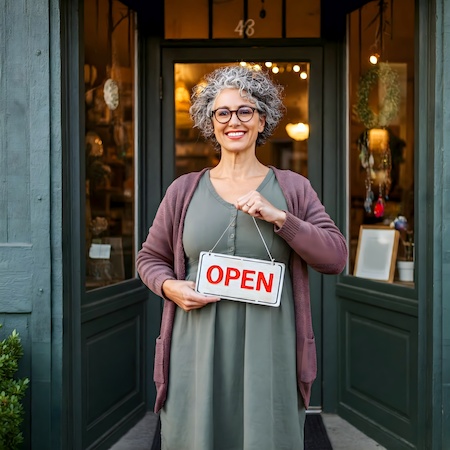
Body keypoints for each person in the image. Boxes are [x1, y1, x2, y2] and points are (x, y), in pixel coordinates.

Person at [136, 64, 347, 450]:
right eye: (223, 112)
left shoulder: (292, 189)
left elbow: (334, 258)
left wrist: (281, 218)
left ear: (262, 118)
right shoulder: (184, 191)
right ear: (210, 122)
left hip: (271, 355)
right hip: (194, 353)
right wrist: (169, 287)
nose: (234, 121)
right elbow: (149, 258)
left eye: (245, 110)